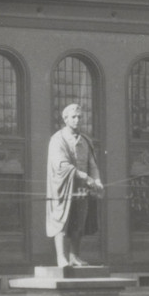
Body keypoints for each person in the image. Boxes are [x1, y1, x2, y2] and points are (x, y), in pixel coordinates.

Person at [46, 103, 104, 267]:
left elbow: (92, 163)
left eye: (79, 117)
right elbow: (61, 164)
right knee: (62, 221)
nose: (77, 120)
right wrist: (85, 177)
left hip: (81, 189)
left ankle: (74, 256)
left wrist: (97, 180)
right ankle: (61, 257)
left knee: (79, 222)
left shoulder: (86, 140)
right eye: (73, 117)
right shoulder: (58, 139)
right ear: (65, 119)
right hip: (62, 188)